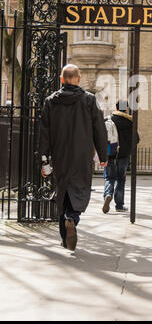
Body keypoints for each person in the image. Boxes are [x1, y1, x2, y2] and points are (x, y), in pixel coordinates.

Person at [39, 64, 108, 251]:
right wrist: (103, 154)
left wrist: (44, 160)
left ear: (62, 79)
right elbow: (99, 130)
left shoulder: (50, 101)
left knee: (63, 194)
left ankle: (64, 237)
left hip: (60, 155)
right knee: (79, 191)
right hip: (82, 155)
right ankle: (72, 219)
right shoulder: (89, 100)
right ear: (78, 78)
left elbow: (44, 133)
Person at [102, 100, 139, 214]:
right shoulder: (130, 122)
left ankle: (108, 194)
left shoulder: (108, 119)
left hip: (110, 154)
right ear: (126, 108)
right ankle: (119, 205)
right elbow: (136, 140)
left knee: (109, 178)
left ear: (116, 107)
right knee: (121, 179)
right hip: (123, 156)